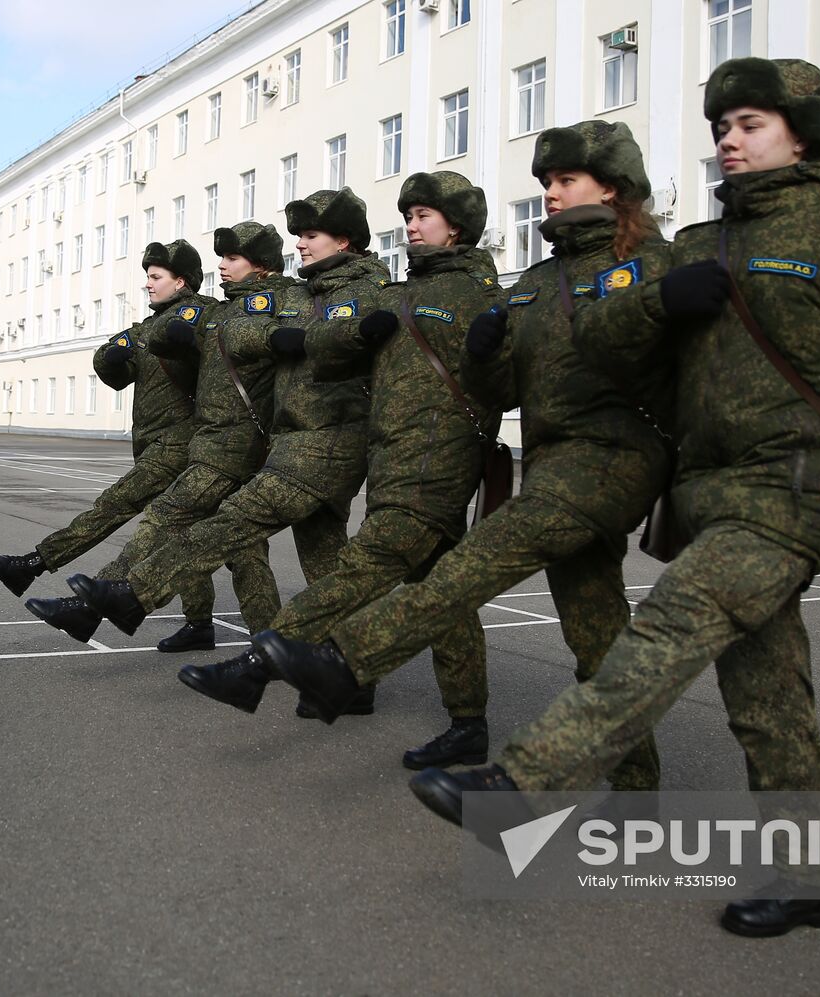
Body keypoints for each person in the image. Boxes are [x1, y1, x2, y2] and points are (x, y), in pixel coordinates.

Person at [406, 59, 820, 938]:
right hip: (711, 489)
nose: (728, 142)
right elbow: (612, 352)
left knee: (669, 623)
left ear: (803, 134)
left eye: (749, 125)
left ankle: (526, 783)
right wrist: (658, 301)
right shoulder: (698, 245)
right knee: (766, 692)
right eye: (722, 129)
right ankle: (811, 875)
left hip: (802, 484)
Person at [239, 121, 674, 787]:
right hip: (553, 464)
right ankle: (637, 781)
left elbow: (683, 375)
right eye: (546, 183)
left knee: (461, 573)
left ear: (613, 188)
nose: (551, 194)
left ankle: (344, 659)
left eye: (565, 181)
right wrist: (486, 353)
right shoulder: (534, 281)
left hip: (609, 462)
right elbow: (506, 391)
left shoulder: (654, 266)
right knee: (597, 633)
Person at [177, 171, 503, 762]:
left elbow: (502, 379)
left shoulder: (482, 296)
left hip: (438, 464)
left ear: (457, 225)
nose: (411, 224)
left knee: (361, 568)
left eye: (424, 215)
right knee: (442, 591)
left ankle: (262, 664)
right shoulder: (400, 293)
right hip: (392, 460)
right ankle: (467, 720)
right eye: (409, 215)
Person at [63, 190, 391, 715]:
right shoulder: (307, 293)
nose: (301, 246)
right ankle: (352, 676)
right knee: (326, 565)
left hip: (325, 445)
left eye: (311, 236)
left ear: (344, 240)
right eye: (299, 236)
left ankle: (130, 594)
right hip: (294, 441)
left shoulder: (367, 290)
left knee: (231, 523)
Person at [26, 227, 291, 649]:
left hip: (232, 448)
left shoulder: (248, 309)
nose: (222, 264)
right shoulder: (221, 313)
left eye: (232, 258)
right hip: (214, 446)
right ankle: (233, 633)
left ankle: (87, 605)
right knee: (229, 545)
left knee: (176, 529)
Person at [0, 240, 226, 646]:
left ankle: (34, 565)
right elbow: (114, 355)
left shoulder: (202, 314)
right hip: (155, 443)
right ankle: (200, 625)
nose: (147, 284)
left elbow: (219, 360)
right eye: (146, 276)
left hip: (182, 444)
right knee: (195, 539)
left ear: (181, 280)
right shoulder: (148, 326)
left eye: (156, 276)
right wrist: (109, 358)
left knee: (115, 507)